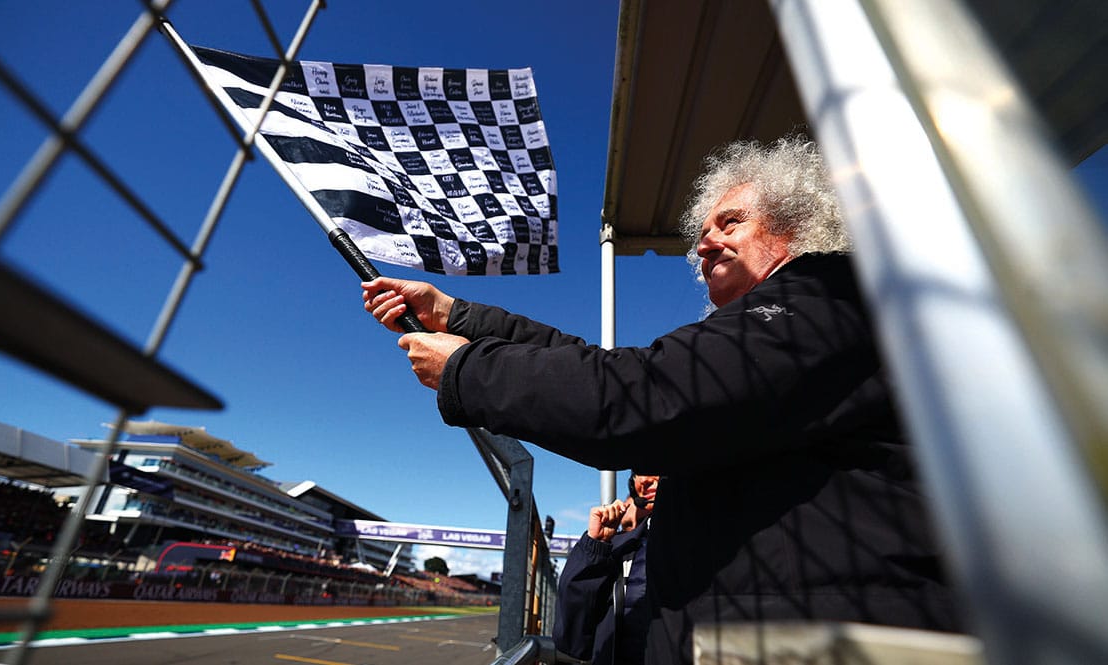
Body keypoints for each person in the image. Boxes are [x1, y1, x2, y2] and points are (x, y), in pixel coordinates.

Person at [362, 136, 962, 664]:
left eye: (730, 223)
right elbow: (613, 371)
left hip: (818, 635)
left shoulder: (824, 297)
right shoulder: (801, 323)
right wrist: (459, 315)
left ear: (795, 223)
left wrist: (466, 368)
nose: (705, 246)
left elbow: (639, 397)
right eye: (702, 234)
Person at [554, 473, 658, 665]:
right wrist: (596, 546)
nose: (644, 480)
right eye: (639, 471)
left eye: (656, 466)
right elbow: (572, 639)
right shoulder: (614, 551)